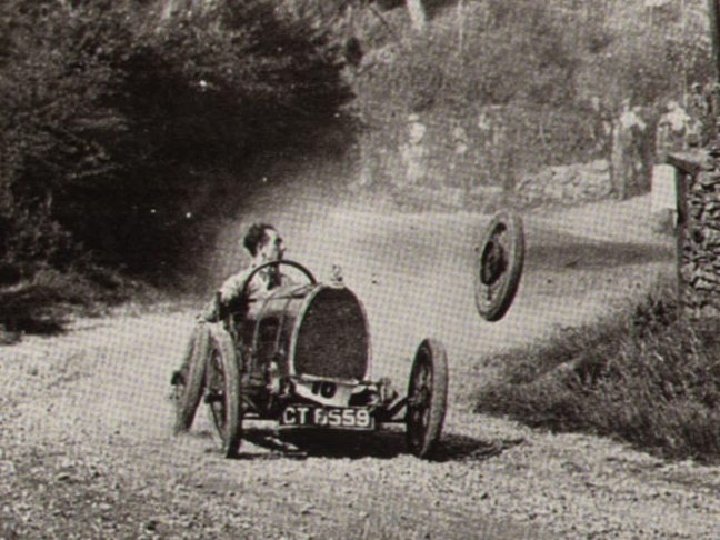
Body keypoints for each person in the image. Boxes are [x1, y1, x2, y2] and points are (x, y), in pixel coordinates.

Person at [170, 222, 287, 390]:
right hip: (248, 353)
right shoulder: (242, 280)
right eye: (277, 243)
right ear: (261, 248)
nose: (283, 248)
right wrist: (220, 304)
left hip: (279, 352)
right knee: (203, 327)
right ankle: (183, 381)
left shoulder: (286, 283)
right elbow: (218, 303)